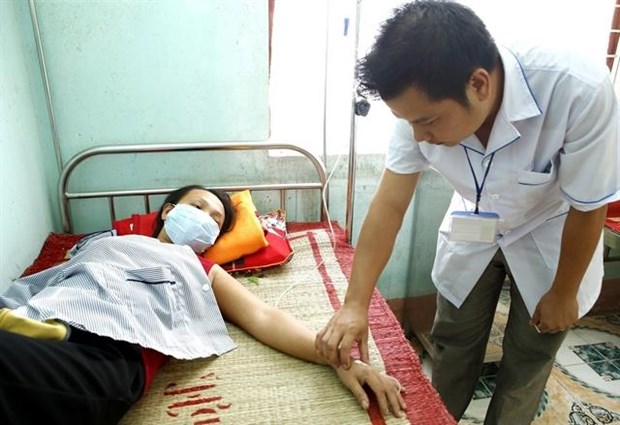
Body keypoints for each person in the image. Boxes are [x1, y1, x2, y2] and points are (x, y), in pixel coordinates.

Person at [315, 1, 619, 424]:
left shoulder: (577, 89)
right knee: (454, 338)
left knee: (528, 357)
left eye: (428, 122)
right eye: (410, 123)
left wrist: (564, 293)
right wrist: (355, 303)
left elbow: (589, 204)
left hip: (552, 229)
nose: (419, 135)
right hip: (475, 222)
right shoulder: (419, 101)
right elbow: (390, 203)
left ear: (479, 85)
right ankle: (440, 416)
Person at [0, 185, 406, 425]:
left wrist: (341, 359)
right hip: (44, 314)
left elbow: (264, 316)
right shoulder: (107, 245)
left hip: (108, 351)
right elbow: (41, 281)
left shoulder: (200, 267)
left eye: (215, 220)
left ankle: (55, 335)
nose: (206, 219)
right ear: (168, 211)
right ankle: (45, 329)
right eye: (198, 207)